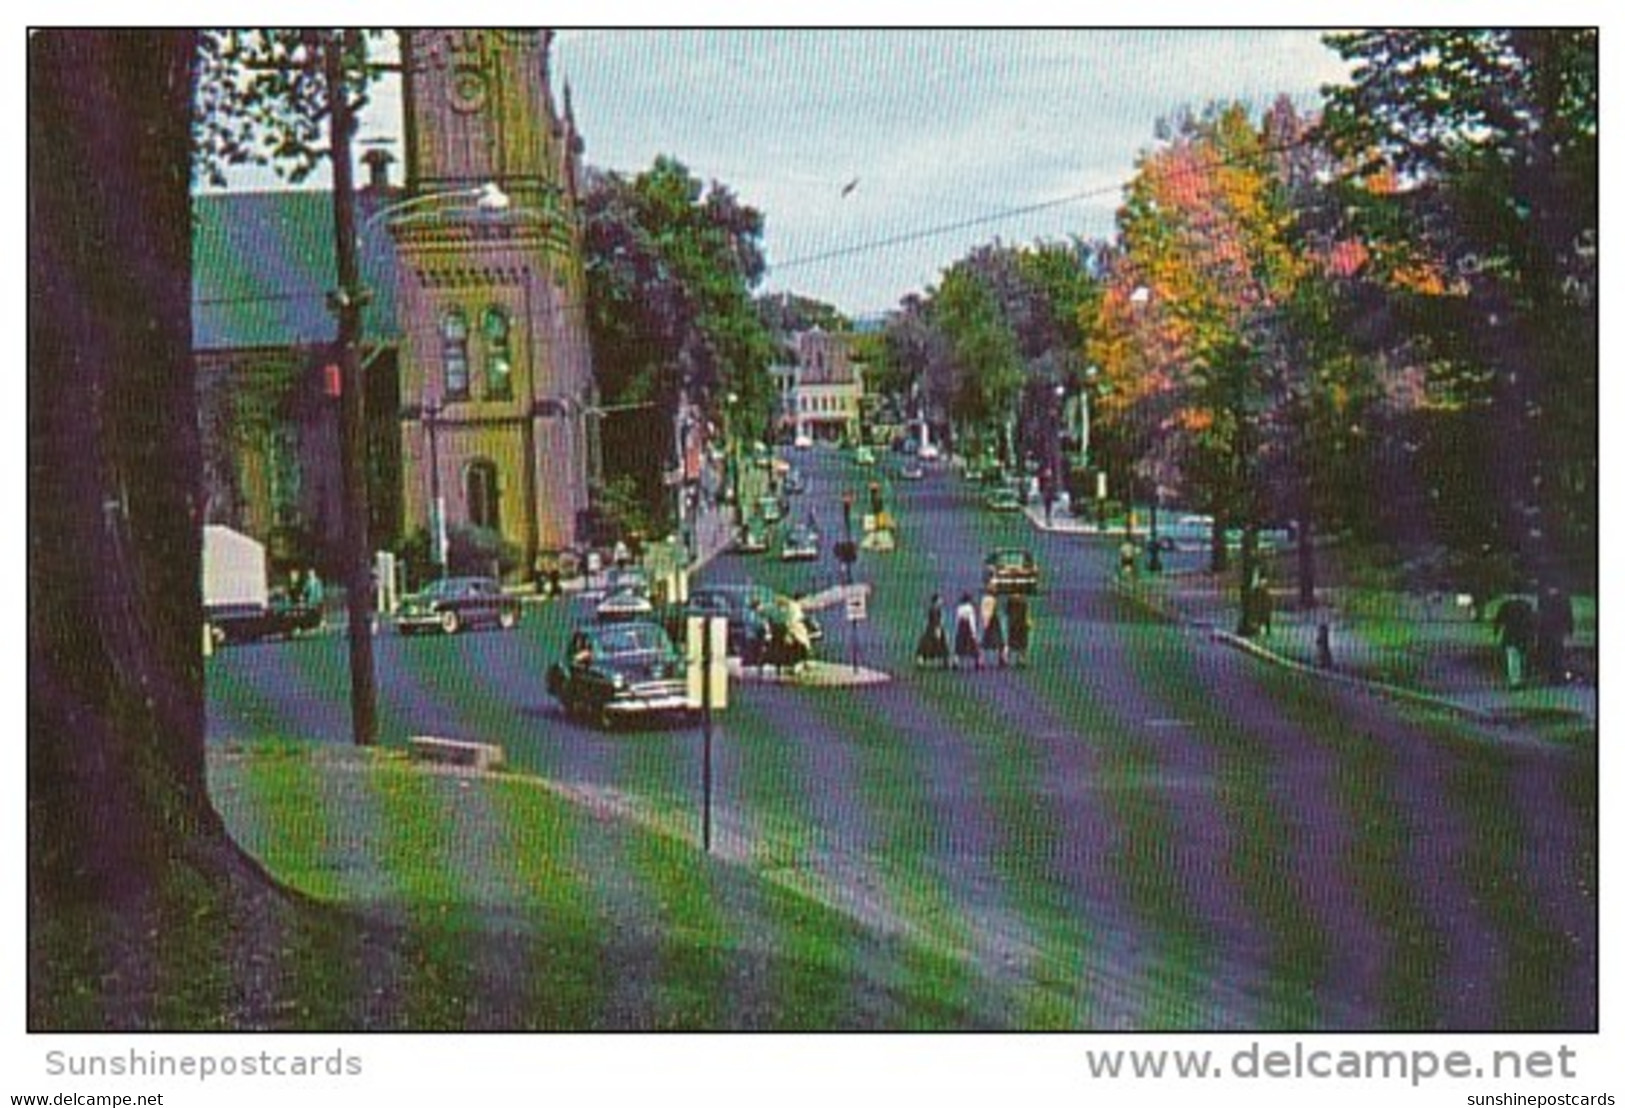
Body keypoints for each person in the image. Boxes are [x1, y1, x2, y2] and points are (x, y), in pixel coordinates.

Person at [1493, 594, 1536, 689]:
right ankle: (1524, 678)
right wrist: (1533, 635)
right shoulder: (1527, 605)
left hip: (1510, 635)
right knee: (1523, 657)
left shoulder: (1506, 605)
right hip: (1523, 635)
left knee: (1513, 658)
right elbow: (1532, 621)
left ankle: (1515, 680)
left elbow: (1499, 619)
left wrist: (1496, 631)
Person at [1534, 584, 1574, 684]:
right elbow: (1568, 615)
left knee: (1550, 655)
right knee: (1557, 654)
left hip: (1547, 632)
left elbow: (1540, 616)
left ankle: (1551, 676)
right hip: (1557, 631)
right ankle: (1557, 676)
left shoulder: (1543, 599)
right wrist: (1569, 630)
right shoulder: (1563, 599)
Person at [916, 593, 950, 667]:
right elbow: (936, 621)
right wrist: (938, 630)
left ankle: (922, 659)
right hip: (934, 629)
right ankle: (943, 661)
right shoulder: (935, 610)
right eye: (940, 600)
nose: (941, 601)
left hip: (933, 628)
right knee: (936, 645)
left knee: (928, 644)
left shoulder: (935, 609)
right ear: (936, 601)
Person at [953, 592, 980, 670]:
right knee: (973, 646)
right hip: (968, 628)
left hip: (961, 628)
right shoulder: (970, 608)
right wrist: (974, 632)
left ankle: (956, 662)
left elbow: (958, 619)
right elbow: (972, 620)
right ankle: (977, 662)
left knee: (959, 646)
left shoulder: (959, 608)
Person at [980, 591, 1006, 667]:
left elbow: (983, 610)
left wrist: (985, 620)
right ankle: (1002, 659)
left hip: (989, 621)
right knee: (999, 641)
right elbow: (992, 610)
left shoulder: (984, 599)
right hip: (993, 622)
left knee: (985, 642)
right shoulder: (992, 600)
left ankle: (981, 660)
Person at [1005, 592, 1031, 667]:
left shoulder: (1010, 600)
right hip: (1021, 625)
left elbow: (1007, 612)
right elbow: (1026, 613)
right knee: (1022, 643)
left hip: (1013, 625)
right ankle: (1021, 659)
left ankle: (1007, 658)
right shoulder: (1023, 601)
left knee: (1012, 642)